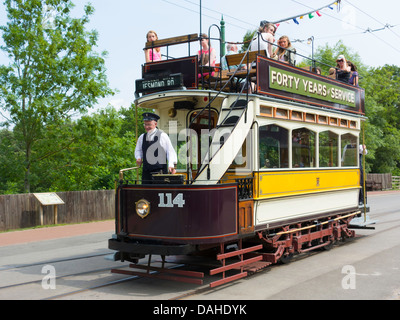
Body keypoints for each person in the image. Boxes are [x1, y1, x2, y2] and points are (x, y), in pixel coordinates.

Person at [135, 112, 177, 184]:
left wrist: (171, 165)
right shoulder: (142, 137)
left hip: (160, 173)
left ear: (155, 124)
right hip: (146, 173)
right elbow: (138, 150)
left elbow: (170, 152)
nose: (146, 127)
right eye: (145, 124)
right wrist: (138, 158)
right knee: (146, 193)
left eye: (149, 124)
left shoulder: (163, 136)